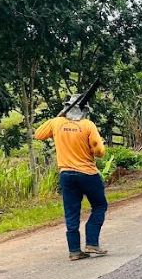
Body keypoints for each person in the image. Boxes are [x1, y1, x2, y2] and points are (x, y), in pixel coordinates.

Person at [34, 99, 108, 261]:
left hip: (66, 175)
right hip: (88, 174)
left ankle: (74, 251)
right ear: (85, 111)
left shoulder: (56, 123)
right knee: (100, 205)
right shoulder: (88, 125)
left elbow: (38, 134)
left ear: (67, 109)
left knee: (71, 212)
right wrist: (100, 144)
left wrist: (56, 119)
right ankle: (92, 243)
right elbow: (99, 152)